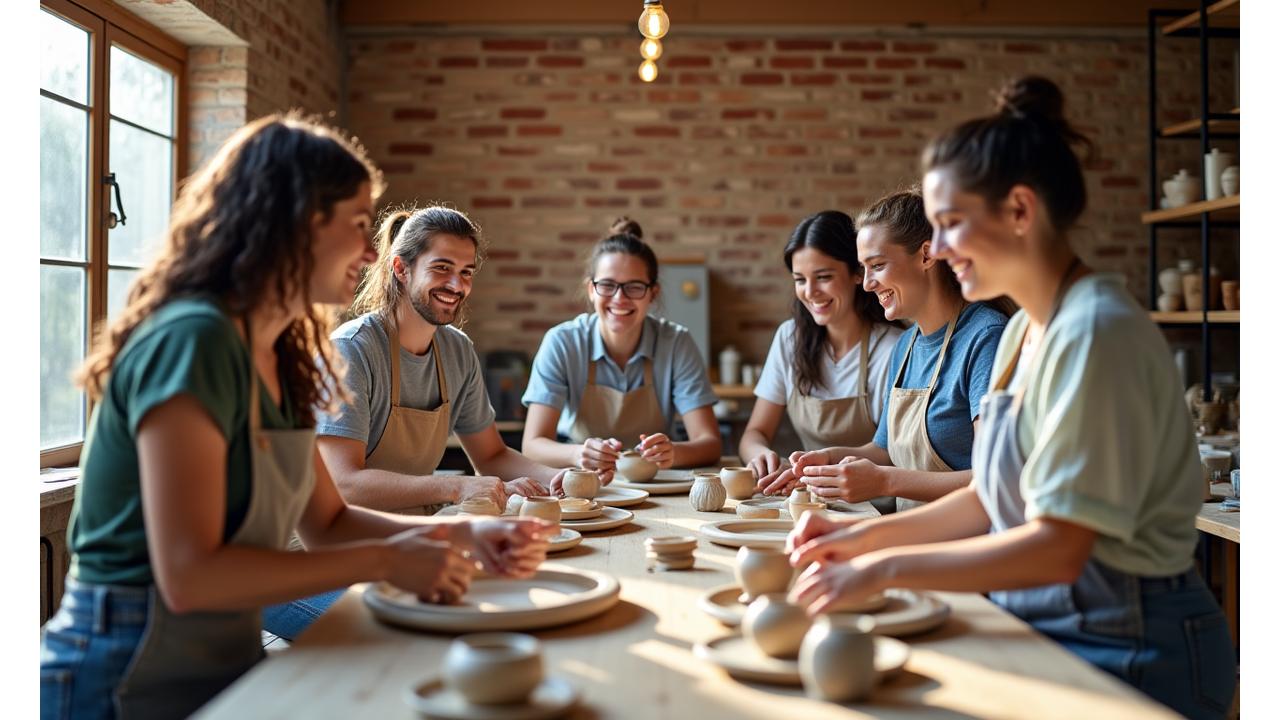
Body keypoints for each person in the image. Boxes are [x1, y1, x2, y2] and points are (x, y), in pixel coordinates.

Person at [39, 114, 550, 720]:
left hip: (220, 662)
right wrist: (392, 558)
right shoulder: (194, 340)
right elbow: (189, 576)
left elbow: (328, 520)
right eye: (359, 226)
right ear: (293, 222)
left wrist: (459, 534)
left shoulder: (281, 352)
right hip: (122, 671)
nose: (369, 251)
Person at [787, 76, 1234, 719]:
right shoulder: (1026, 328)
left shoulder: (1095, 332)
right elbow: (987, 499)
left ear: (1019, 211)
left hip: (1132, 646)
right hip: (1052, 626)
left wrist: (884, 570)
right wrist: (857, 542)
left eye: (948, 226)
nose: (936, 250)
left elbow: (1058, 544)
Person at [263, 204, 569, 641]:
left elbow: (494, 455)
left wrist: (560, 477)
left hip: (397, 542)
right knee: (421, 633)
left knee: (500, 606)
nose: (456, 285)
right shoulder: (352, 352)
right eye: (442, 268)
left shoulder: (457, 351)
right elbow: (345, 485)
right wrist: (455, 486)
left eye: (466, 272)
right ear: (401, 269)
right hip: (303, 561)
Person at [771, 190, 1009, 514]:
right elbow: (882, 451)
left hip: (971, 547)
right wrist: (828, 460)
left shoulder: (985, 339)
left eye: (878, 266)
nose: (867, 284)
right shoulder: (906, 346)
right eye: (863, 269)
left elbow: (995, 476)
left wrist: (884, 482)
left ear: (927, 256)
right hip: (913, 535)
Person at [521, 218, 721, 485]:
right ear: (591, 290)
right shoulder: (562, 342)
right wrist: (579, 453)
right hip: (585, 481)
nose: (619, 298)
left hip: (656, 482)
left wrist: (673, 453)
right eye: (607, 285)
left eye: (634, 287)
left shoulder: (676, 343)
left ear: (653, 293)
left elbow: (709, 443)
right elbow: (532, 444)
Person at [738, 211, 902, 502]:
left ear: (856, 273)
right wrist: (760, 455)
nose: (811, 292)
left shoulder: (892, 347)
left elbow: (890, 453)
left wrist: (818, 466)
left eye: (824, 277)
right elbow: (755, 432)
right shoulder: (790, 338)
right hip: (809, 500)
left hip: (874, 507)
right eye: (800, 280)